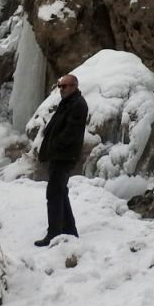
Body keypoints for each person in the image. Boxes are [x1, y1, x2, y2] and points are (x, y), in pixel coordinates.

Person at [34, 74, 88, 247]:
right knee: (60, 192)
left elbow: (71, 133)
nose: (61, 89)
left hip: (64, 156)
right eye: (59, 86)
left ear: (74, 86)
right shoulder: (68, 103)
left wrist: (56, 146)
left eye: (64, 86)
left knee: (54, 194)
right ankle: (69, 230)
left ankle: (54, 232)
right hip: (59, 155)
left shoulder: (78, 105)